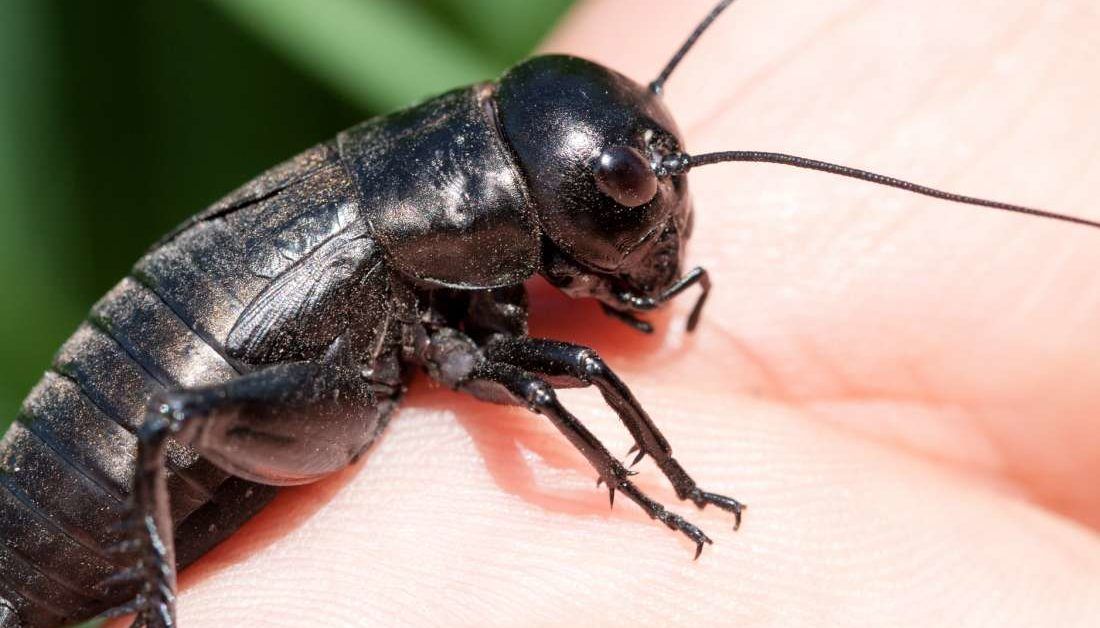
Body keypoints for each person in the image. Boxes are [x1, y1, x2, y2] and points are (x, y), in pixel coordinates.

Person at [168, 1, 1100, 624]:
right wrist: (679, 495)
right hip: (137, 460)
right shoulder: (433, 256)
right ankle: (676, 491)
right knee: (172, 425)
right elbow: (577, 372)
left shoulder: (456, 203)